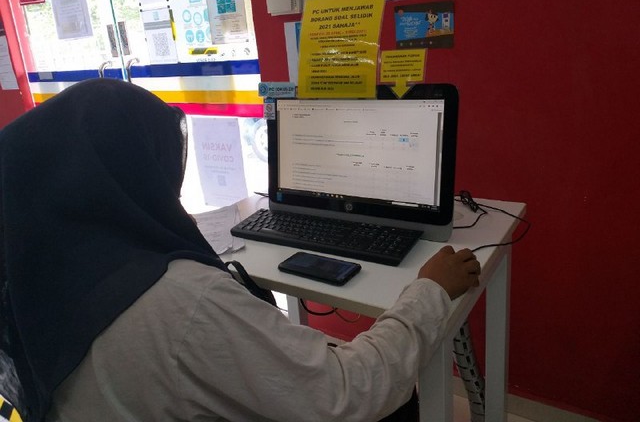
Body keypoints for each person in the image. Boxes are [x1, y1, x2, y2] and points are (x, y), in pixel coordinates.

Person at [0, 78, 481, 422]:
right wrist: (429, 292)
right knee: (395, 396)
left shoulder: (28, 282)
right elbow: (350, 395)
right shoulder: (184, 302)